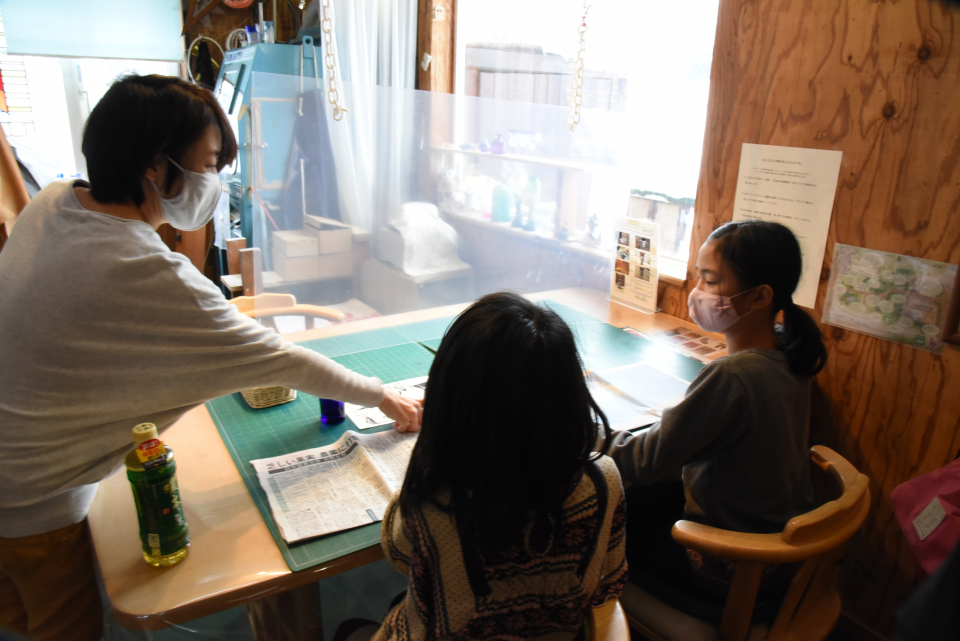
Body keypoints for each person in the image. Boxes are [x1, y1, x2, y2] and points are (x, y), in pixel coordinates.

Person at [0, 75, 421, 641]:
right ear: (155, 166)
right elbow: (281, 359)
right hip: (33, 501)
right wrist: (383, 395)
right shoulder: (148, 271)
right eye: (207, 164)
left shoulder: (55, 200)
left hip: (13, 461)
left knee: (15, 615)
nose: (215, 182)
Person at [349, 292, 627, 641]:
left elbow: (399, 553)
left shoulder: (434, 504)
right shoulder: (604, 480)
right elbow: (609, 573)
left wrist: (430, 452)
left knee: (352, 628)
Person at [607, 220, 827, 621]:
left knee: (607, 515)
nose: (698, 292)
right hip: (777, 555)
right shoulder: (789, 353)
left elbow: (640, 460)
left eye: (710, 281)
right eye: (698, 277)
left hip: (727, 567)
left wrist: (583, 429)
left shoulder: (734, 376)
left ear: (760, 296)